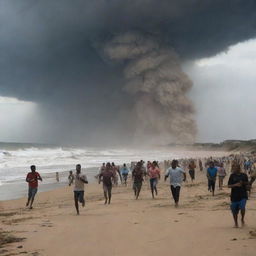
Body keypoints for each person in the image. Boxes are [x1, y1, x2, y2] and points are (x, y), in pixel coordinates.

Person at [228, 162, 249, 228]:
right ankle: (236, 223)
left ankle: (242, 219)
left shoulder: (244, 175)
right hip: (234, 196)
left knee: (242, 207)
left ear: (239, 168)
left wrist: (243, 183)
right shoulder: (232, 176)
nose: (234, 168)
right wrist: (235, 185)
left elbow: (248, 183)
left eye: (236, 167)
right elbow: (229, 185)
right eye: (233, 167)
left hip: (243, 195)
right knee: (234, 210)